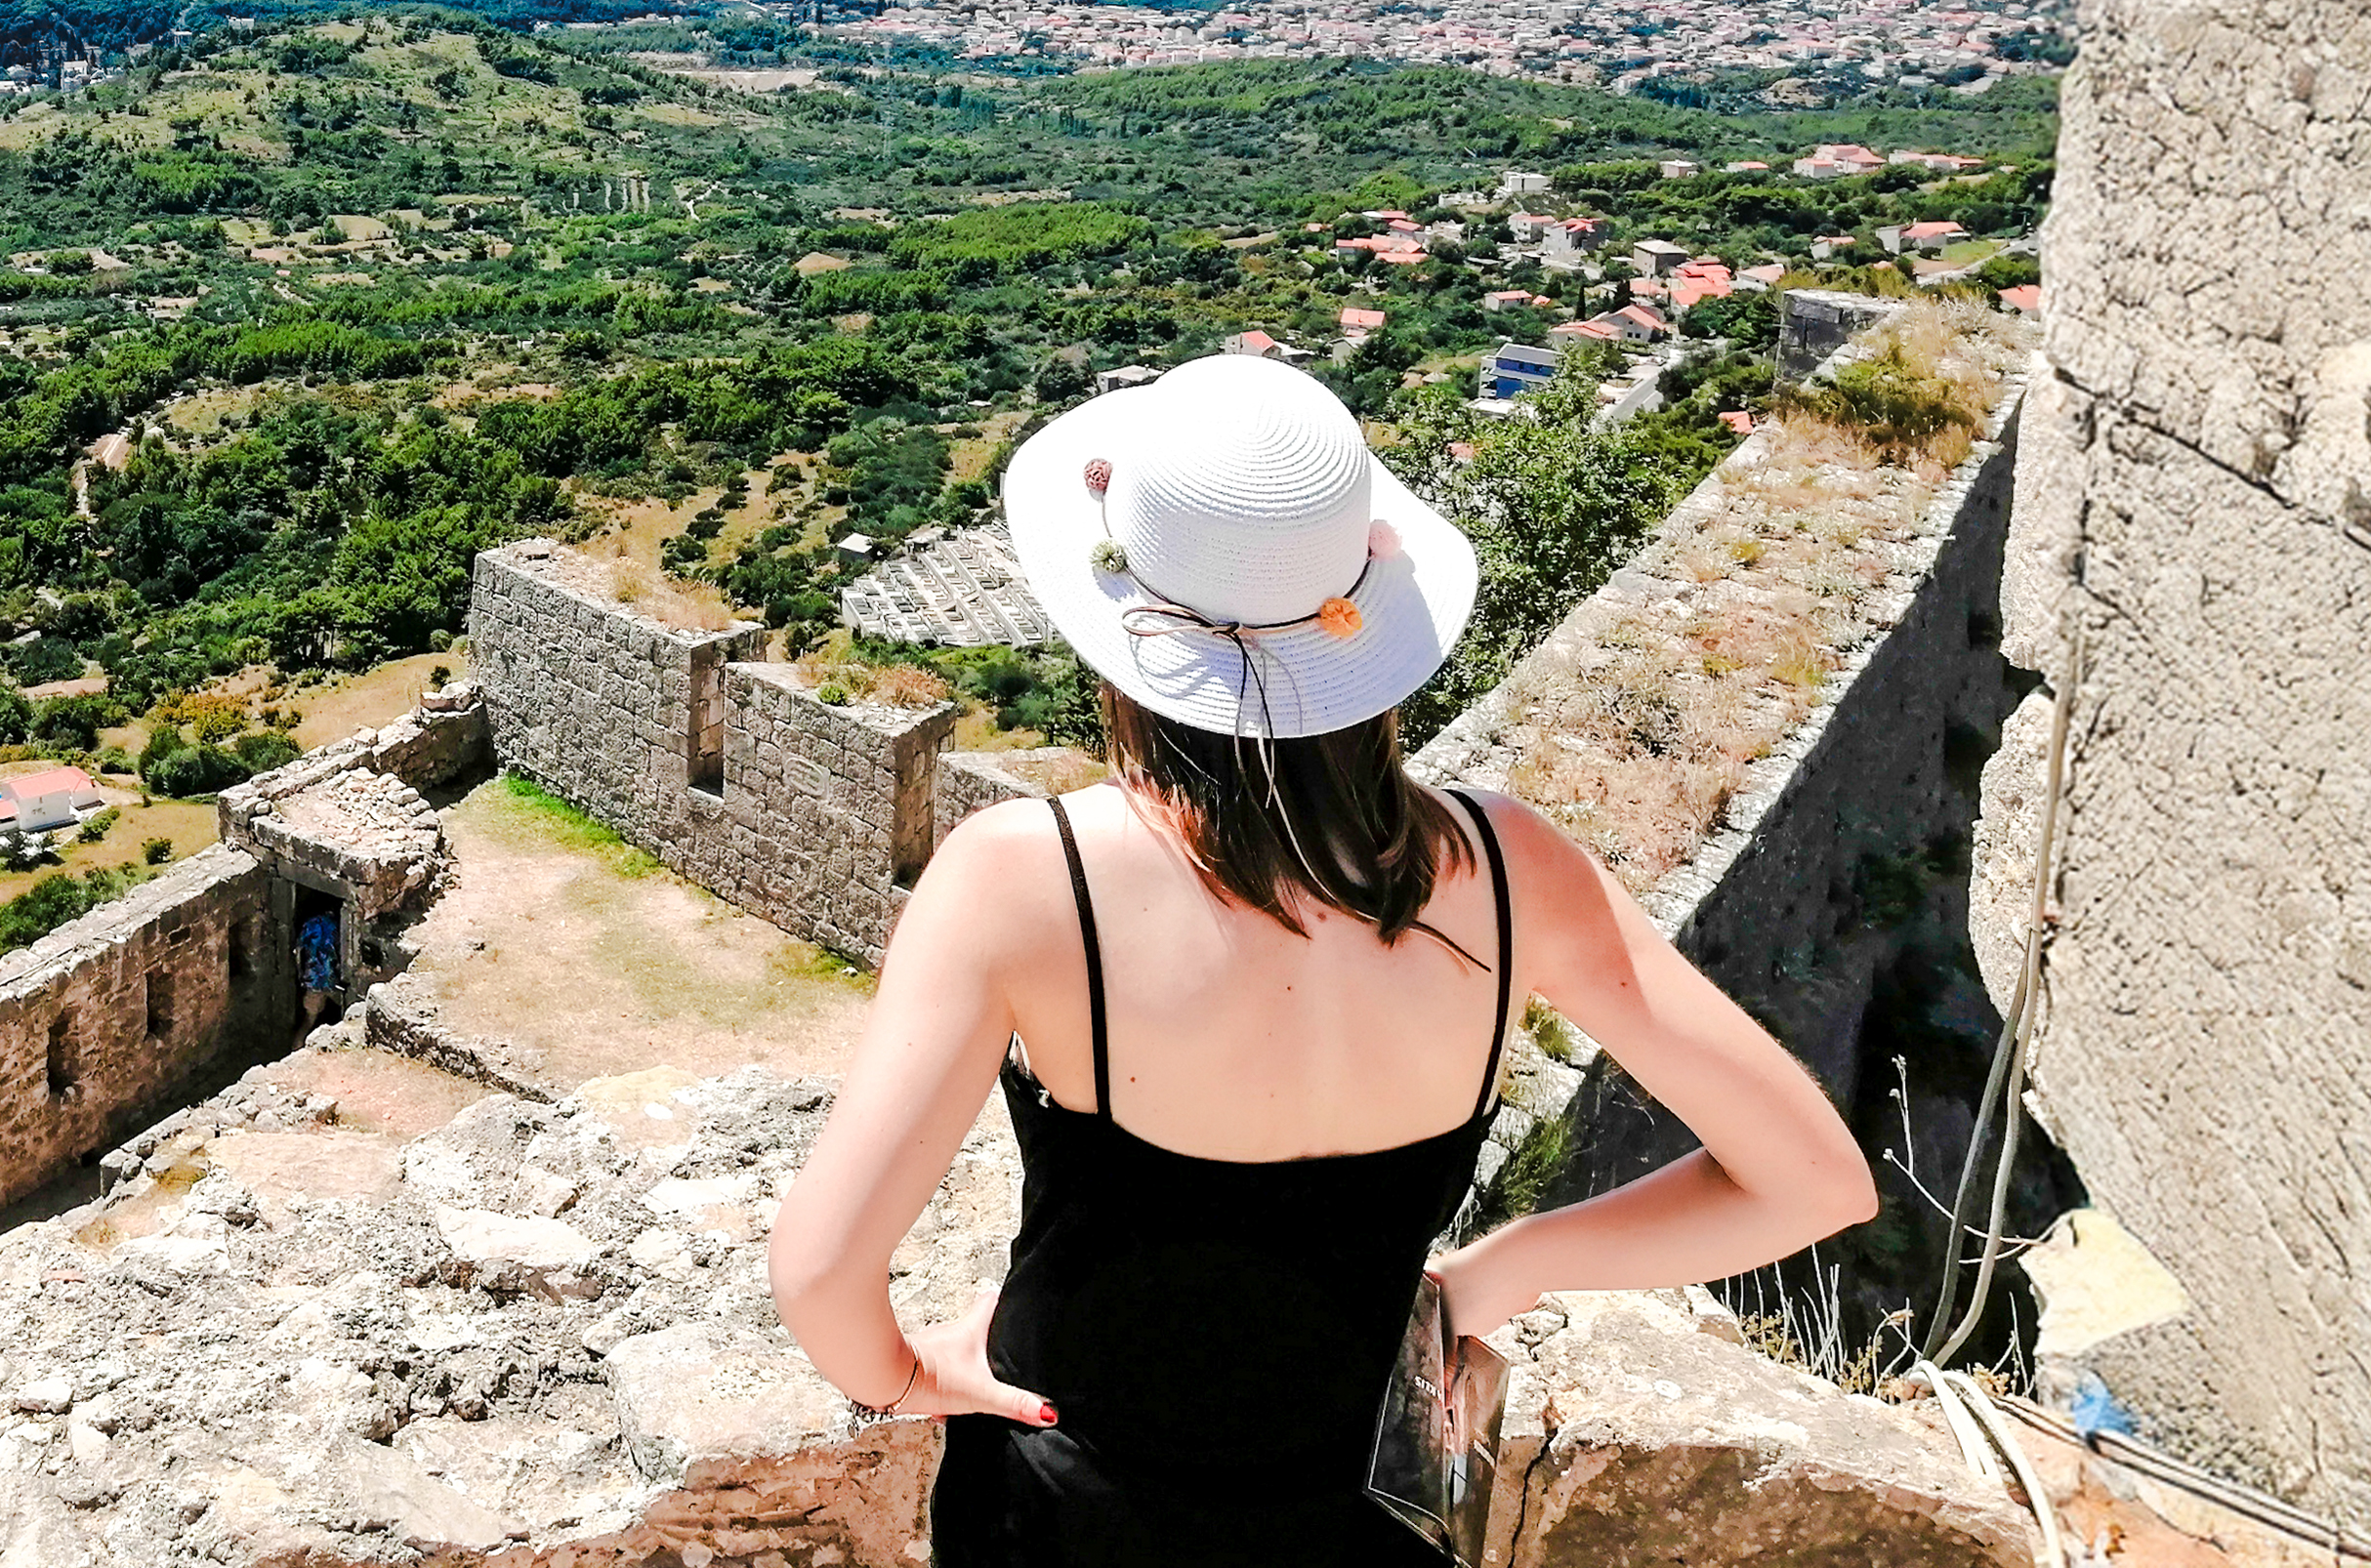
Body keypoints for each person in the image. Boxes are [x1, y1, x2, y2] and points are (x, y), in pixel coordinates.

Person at [766, 356, 1878, 1566]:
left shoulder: (1021, 878)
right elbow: (1814, 1183)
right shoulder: (1512, 870)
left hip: (1067, 1506)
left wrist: (898, 1372)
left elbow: (822, 1272)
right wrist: (1500, 1269)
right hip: (1354, 1511)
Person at [295, 910, 340, 1026]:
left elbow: (298, 951)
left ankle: (298, 1044)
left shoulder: (310, 924)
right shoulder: (335, 925)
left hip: (313, 979)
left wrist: (300, 974)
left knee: (309, 1020)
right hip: (330, 979)